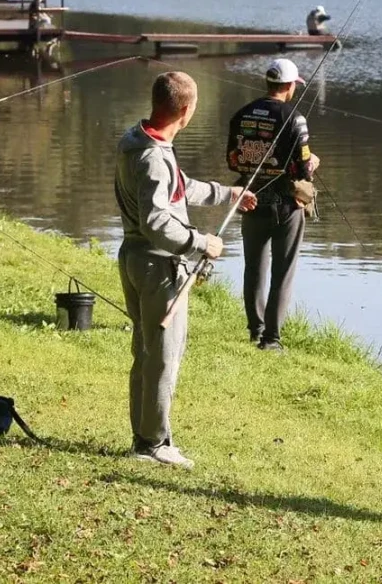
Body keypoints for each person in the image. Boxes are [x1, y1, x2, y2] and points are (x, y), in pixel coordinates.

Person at [115, 71, 256, 469]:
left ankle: (144, 436)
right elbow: (157, 223)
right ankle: (154, 444)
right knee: (163, 357)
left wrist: (225, 193)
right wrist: (201, 243)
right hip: (159, 266)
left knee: (146, 353)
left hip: (135, 258)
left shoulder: (140, 139)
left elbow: (178, 186)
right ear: (186, 109)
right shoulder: (152, 157)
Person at [226, 59, 319, 350]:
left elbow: (232, 160)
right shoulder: (296, 118)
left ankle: (256, 329)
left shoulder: (241, 114)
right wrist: (313, 162)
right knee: (283, 271)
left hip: (250, 200)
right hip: (286, 206)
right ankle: (271, 339)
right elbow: (303, 170)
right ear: (290, 86)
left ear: (268, 83)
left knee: (253, 268)